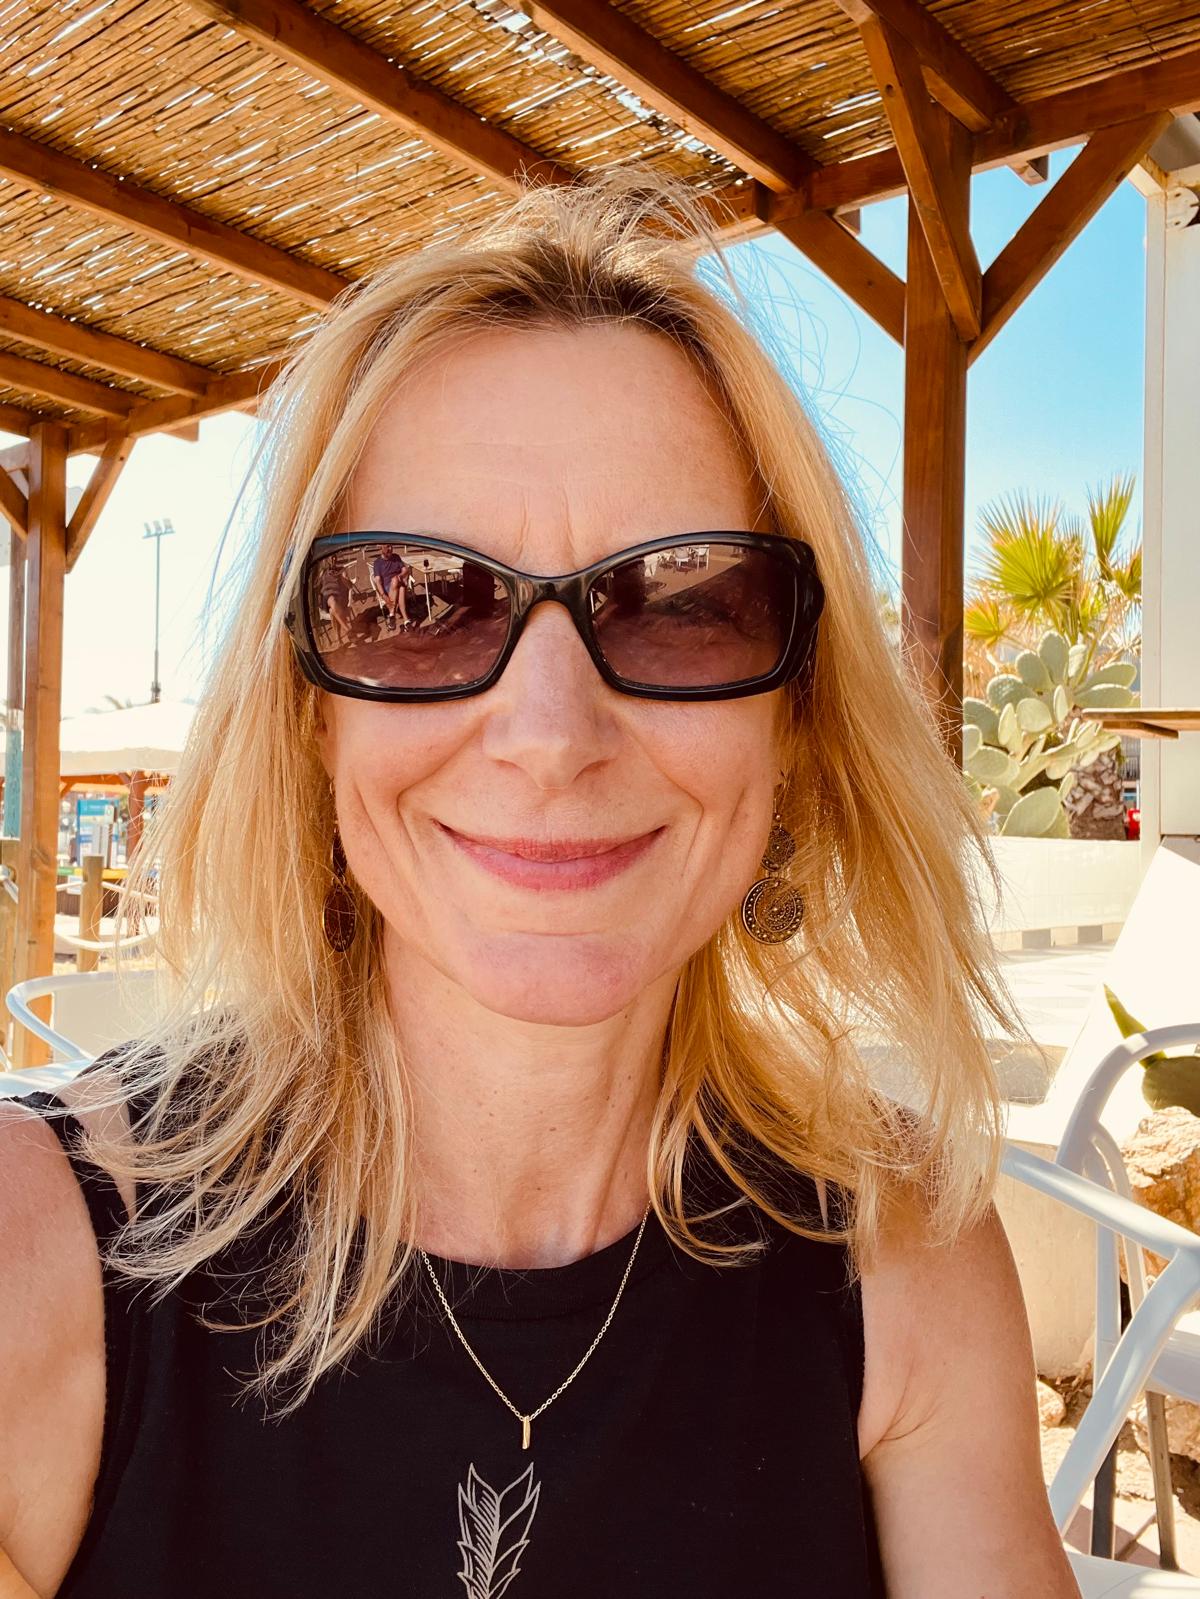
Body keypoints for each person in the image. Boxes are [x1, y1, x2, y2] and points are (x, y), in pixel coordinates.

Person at [0, 172, 1081, 1599]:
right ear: (310, 710)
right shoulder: (31, 1256)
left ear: (798, 713)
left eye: (685, 603)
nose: (553, 735)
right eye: (416, 601)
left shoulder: (908, 1256)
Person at [370, 544, 412, 629]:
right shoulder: (377, 563)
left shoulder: (396, 557)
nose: (390, 549)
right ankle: (405, 619)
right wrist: (383, 595)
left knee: (398, 583)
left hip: (398, 583)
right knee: (399, 584)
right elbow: (378, 581)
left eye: (391, 546)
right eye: (387, 546)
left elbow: (405, 570)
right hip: (387, 588)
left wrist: (400, 575)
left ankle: (393, 615)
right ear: (381, 548)